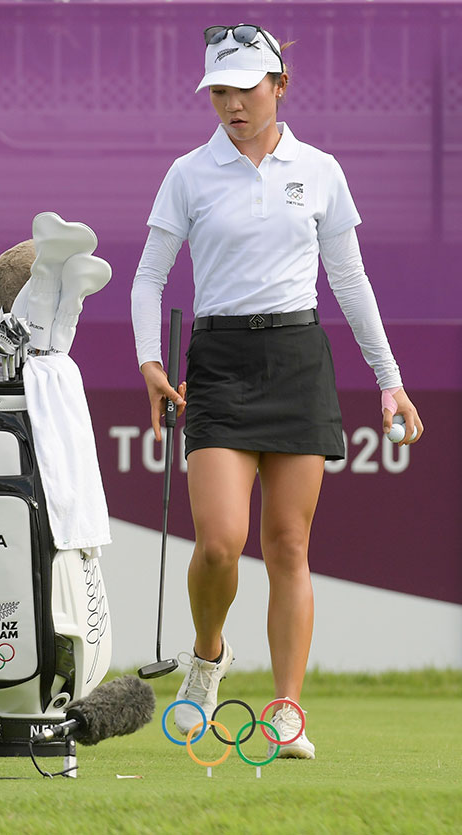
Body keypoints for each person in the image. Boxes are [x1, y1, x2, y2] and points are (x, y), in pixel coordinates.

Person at [131, 24, 423, 759]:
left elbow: (350, 282)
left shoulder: (321, 170)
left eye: (243, 87)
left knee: (289, 543)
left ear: (279, 86)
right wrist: (148, 363)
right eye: (218, 91)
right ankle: (207, 661)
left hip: (297, 357)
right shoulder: (188, 173)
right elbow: (148, 276)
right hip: (220, 361)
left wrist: (388, 381)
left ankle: (287, 709)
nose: (230, 103)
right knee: (221, 544)